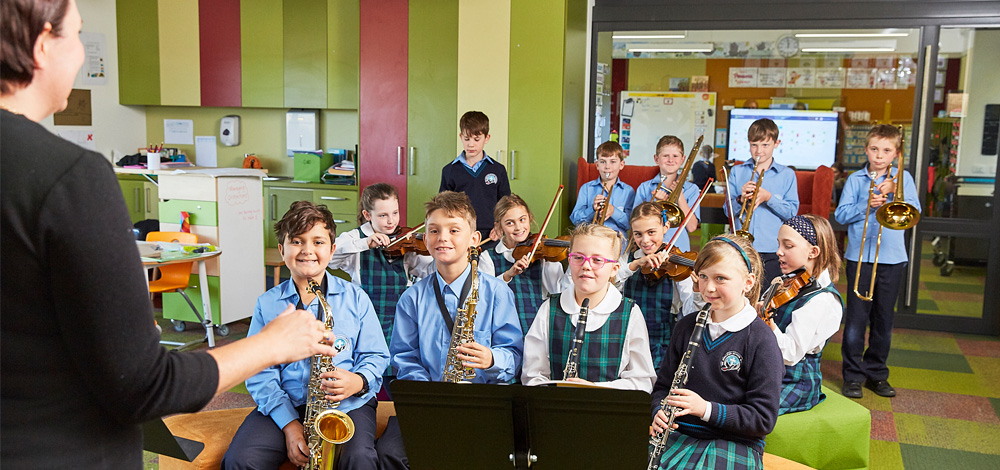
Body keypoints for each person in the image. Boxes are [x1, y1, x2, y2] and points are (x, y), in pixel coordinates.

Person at [0, 1, 334, 467]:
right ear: (40, 46)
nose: (80, 56)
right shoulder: (71, 177)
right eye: (76, 35)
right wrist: (270, 345)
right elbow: (142, 386)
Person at [223, 201, 390, 469]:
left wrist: (357, 381)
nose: (308, 251)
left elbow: (376, 355)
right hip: (284, 405)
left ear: (332, 250)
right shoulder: (267, 304)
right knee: (241, 460)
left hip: (347, 405)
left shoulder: (355, 297)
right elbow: (258, 371)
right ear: (282, 249)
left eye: (318, 242)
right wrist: (289, 425)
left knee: (360, 458)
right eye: (297, 242)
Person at [382, 191, 524, 467]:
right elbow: (403, 358)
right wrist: (430, 397)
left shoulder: (496, 292)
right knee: (390, 451)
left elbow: (515, 355)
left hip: (484, 405)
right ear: (425, 240)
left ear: (473, 240)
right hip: (427, 405)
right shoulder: (411, 298)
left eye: (454, 230)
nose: (442, 237)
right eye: (433, 230)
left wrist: (492, 359)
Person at [649, 234, 783, 470]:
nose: (708, 288)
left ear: (748, 283)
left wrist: (705, 409)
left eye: (720, 278)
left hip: (734, 440)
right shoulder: (686, 326)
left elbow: (762, 419)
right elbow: (663, 387)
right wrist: (658, 410)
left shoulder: (761, 339)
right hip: (680, 434)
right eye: (703, 276)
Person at [835, 124, 920, 399]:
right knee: (856, 320)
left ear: (895, 154)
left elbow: (912, 213)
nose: (879, 155)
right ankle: (852, 376)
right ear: (866, 150)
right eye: (874, 149)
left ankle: (877, 374)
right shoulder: (855, 180)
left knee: (884, 320)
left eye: (886, 150)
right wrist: (866, 206)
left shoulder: (903, 178)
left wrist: (895, 192)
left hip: (892, 258)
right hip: (859, 258)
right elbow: (840, 216)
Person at [522, 223, 656, 391]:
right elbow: (532, 377)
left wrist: (595, 389)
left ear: (614, 269)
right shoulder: (549, 309)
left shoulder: (630, 313)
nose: (586, 265)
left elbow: (642, 382)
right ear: (569, 260)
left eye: (597, 260)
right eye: (578, 257)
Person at [328, 183, 433, 350]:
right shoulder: (356, 237)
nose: (391, 221)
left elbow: (428, 270)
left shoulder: (404, 239)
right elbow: (329, 256)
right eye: (383, 215)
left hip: (398, 317)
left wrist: (441, 253)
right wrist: (365, 243)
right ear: (367, 215)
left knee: (397, 365)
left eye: (395, 213)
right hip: (365, 316)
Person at [765, 215, 844, 414]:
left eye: (788, 246)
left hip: (795, 382)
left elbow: (791, 354)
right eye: (779, 244)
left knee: (747, 406)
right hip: (769, 373)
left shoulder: (821, 300)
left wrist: (768, 323)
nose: (778, 252)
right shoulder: (791, 281)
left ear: (813, 252)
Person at [631, 136, 704, 317]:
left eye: (675, 156)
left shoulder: (692, 189)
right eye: (665, 156)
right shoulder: (645, 187)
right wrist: (654, 203)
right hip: (649, 250)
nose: (670, 160)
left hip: (678, 253)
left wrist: (679, 196)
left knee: (681, 303)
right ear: (657, 159)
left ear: (682, 159)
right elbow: (634, 222)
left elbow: (693, 226)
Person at [478, 194, 571, 335]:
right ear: (499, 226)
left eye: (522, 220)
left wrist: (573, 263)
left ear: (530, 218)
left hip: (538, 327)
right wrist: (508, 275)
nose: (518, 227)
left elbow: (559, 292)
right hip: (503, 328)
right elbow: (483, 296)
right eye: (509, 223)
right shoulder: (488, 257)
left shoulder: (544, 254)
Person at [726, 118, 799, 284]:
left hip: (773, 249)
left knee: (768, 298)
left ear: (776, 143)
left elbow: (792, 213)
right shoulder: (737, 172)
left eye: (765, 145)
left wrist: (769, 198)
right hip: (741, 247)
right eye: (754, 145)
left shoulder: (787, 174)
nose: (759, 151)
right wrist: (740, 199)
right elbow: (727, 212)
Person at [615, 203, 679, 369]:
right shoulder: (627, 260)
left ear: (665, 227)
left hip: (662, 343)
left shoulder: (676, 265)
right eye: (638, 234)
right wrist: (635, 264)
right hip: (628, 340)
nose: (645, 240)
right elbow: (610, 289)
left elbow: (688, 307)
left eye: (651, 232)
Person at [439, 111, 511, 239]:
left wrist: (500, 225)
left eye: (476, 139)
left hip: (491, 234)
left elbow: (506, 204)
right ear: (461, 137)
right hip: (461, 234)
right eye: (467, 139)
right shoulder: (449, 170)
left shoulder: (498, 170)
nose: (471, 144)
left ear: (487, 138)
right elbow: (443, 208)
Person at [570, 141, 636, 239]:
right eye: (602, 161)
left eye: (613, 162)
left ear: (621, 165)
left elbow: (630, 225)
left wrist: (613, 211)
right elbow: (575, 220)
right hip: (590, 239)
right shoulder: (587, 188)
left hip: (616, 241)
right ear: (597, 165)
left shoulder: (628, 191)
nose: (607, 167)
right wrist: (592, 209)